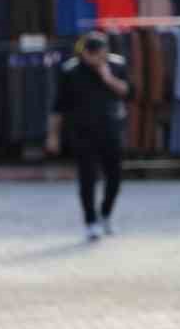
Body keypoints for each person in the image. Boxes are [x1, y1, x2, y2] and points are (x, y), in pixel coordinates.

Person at [46, 31, 134, 241]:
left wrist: (108, 78)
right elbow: (58, 107)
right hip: (82, 132)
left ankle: (105, 213)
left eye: (101, 54)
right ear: (84, 53)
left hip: (110, 129)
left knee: (115, 177)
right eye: (92, 54)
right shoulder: (71, 71)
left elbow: (128, 92)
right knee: (88, 179)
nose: (97, 58)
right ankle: (90, 221)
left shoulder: (116, 65)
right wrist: (53, 136)